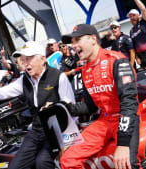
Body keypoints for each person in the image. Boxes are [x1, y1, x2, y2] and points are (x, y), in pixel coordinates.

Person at [0, 41, 75, 169]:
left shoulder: (59, 77)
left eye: (29, 58)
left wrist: (67, 142)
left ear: (42, 59)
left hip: (57, 132)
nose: (25, 62)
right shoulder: (24, 80)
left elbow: (71, 110)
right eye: (23, 59)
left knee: (43, 163)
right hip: (36, 132)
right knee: (15, 166)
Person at [60, 24, 140, 169]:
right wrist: (63, 108)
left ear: (92, 39)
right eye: (72, 42)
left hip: (125, 117)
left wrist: (123, 144)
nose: (73, 46)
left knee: (128, 163)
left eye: (77, 40)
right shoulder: (85, 70)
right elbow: (89, 106)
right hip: (104, 121)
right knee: (68, 160)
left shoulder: (117, 60)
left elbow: (129, 103)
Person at [129, 0, 146, 68]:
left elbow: (143, 9)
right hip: (141, 57)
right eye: (130, 16)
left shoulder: (144, 22)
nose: (132, 18)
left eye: (134, 15)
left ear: (139, 15)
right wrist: (137, 58)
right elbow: (133, 47)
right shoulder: (131, 31)